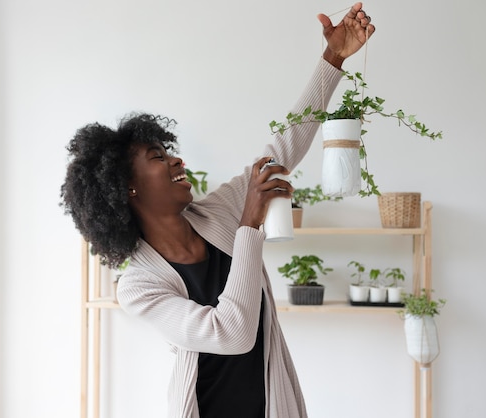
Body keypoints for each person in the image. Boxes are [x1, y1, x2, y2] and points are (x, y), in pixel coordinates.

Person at [61, 3, 375, 417]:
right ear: (127, 187)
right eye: (158, 156)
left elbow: (283, 148)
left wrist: (333, 57)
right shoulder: (138, 284)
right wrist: (249, 226)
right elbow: (232, 334)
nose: (177, 161)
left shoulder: (216, 214)